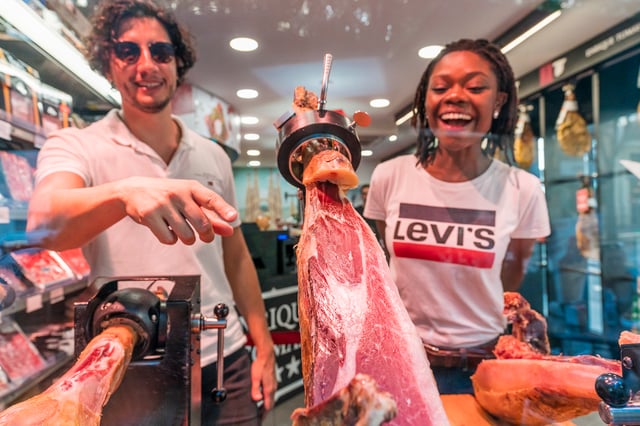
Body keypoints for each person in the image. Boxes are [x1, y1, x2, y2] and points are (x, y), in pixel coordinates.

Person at [25, 0, 276, 423]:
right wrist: (125, 193)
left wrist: (264, 345)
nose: (146, 65)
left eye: (160, 52)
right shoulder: (77, 145)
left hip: (224, 353)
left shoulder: (213, 155)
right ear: (108, 61)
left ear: (179, 66)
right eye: (129, 51)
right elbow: (44, 223)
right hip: (130, 362)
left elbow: (235, 258)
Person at [364, 38, 550, 394]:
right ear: (426, 100)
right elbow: (389, 264)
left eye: (476, 87)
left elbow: (511, 277)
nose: (455, 96)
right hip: (402, 361)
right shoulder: (389, 176)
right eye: (440, 87)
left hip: (484, 367)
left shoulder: (522, 189)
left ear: (498, 101)